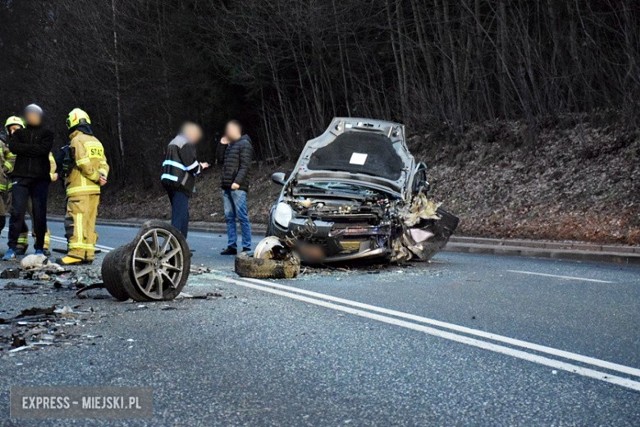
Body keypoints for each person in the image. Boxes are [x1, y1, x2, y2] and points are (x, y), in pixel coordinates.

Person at [58, 108, 109, 265]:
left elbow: (82, 163)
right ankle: (88, 253)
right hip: (95, 190)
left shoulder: (77, 140)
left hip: (79, 189)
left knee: (77, 220)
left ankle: (76, 254)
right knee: (89, 221)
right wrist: (101, 177)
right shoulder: (96, 141)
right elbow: (104, 164)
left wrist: (93, 176)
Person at [3, 104, 53, 260]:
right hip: (21, 178)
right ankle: (11, 247)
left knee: (39, 214)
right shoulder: (19, 133)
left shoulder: (47, 133)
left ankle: (39, 248)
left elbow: (43, 150)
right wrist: (33, 149)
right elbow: (14, 147)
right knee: (16, 212)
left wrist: (25, 148)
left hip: (40, 179)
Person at [161, 122, 209, 237]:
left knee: (183, 215)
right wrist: (201, 166)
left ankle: (182, 246)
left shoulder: (173, 141)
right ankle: (175, 247)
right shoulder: (186, 143)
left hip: (169, 182)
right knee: (179, 217)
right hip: (180, 183)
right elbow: (191, 166)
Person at [217, 120, 253, 255]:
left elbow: (245, 166)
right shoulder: (231, 145)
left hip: (237, 186)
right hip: (226, 185)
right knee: (229, 217)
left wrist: (237, 182)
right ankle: (232, 246)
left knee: (242, 217)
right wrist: (222, 144)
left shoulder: (244, 144)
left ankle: (247, 247)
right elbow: (220, 160)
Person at [0, 117, 20, 237]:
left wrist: (4, 170)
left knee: (1, 218)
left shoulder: (2, 143)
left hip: (2, 186)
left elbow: (11, 158)